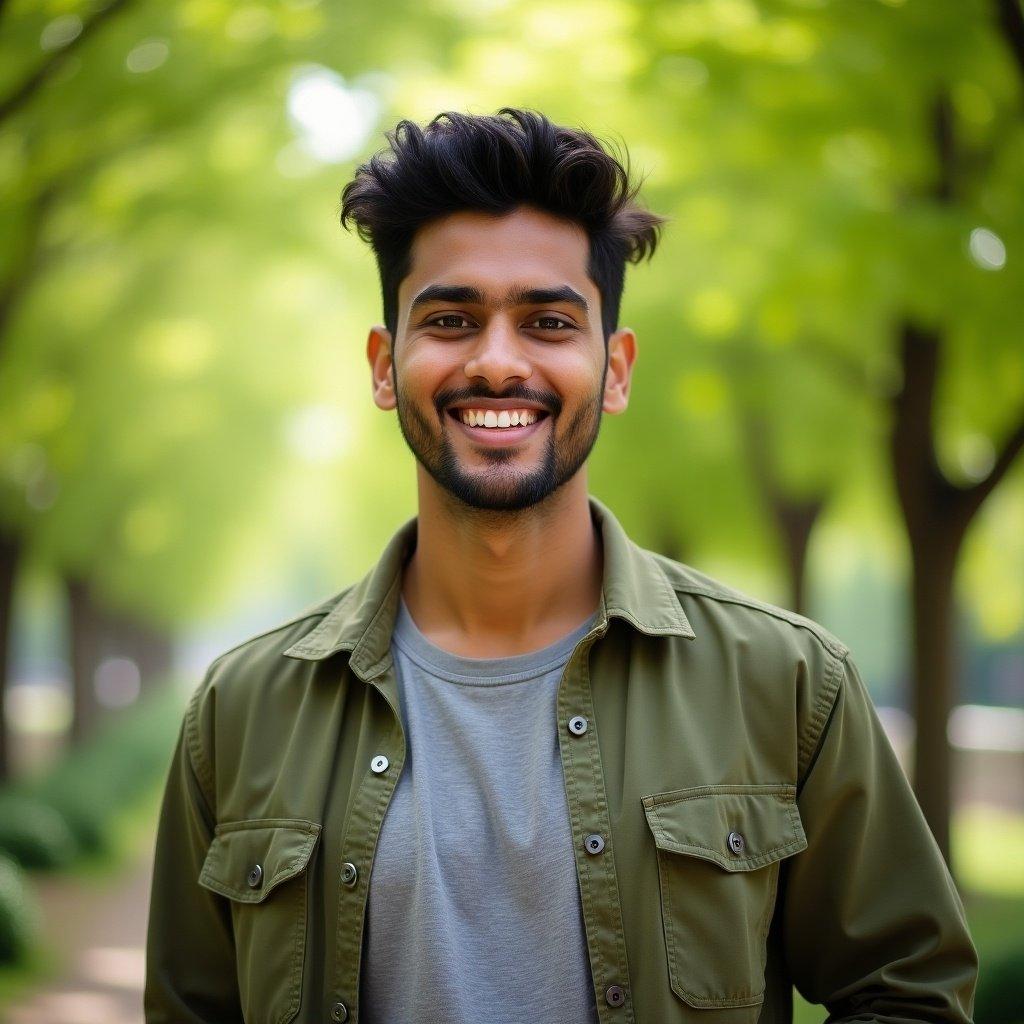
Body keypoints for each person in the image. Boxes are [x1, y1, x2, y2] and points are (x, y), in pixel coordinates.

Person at [144, 108, 978, 1024]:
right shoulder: (242, 709)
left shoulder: (787, 684)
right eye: (452, 318)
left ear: (614, 369)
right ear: (386, 366)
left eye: (547, 321)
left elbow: (909, 994)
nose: (498, 363)